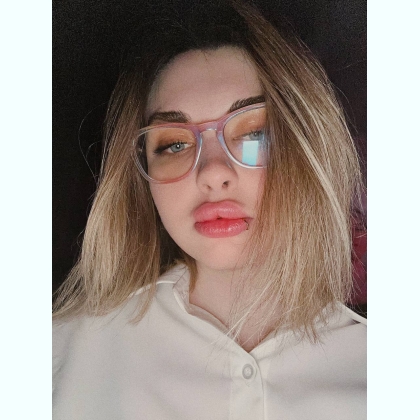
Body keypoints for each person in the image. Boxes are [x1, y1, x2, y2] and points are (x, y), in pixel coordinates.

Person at [53, 1, 366, 419]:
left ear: (309, 147)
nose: (213, 173)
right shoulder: (59, 359)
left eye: (254, 135)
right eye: (174, 144)